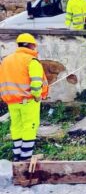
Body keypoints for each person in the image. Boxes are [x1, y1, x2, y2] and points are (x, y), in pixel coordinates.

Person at [0, 33, 49, 161]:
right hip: (28, 101)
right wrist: (37, 96)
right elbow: (36, 82)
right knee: (30, 126)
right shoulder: (31, 60)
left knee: (16, 127)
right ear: (31, 45)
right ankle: (25, 158)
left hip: (12, 101)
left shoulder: (6, 60)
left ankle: (17, 156)